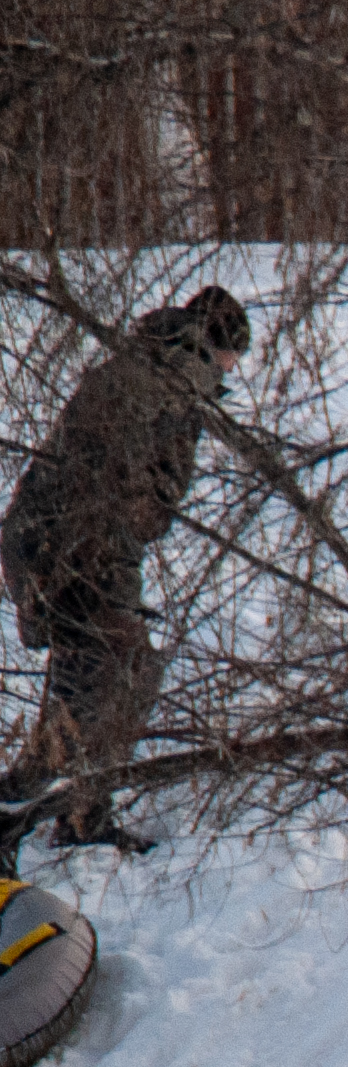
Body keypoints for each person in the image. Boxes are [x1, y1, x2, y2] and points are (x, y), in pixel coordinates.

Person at [2, 283, 249, 866]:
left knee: (87, 681)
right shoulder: (176, 385)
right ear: (219, 346)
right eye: (235, 356)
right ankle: (43, 813)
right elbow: (142, 501)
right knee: (125, 678)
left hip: (51, 545)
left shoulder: (139, 367)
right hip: (85, 555)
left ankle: (58, 807)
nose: (234, 370)